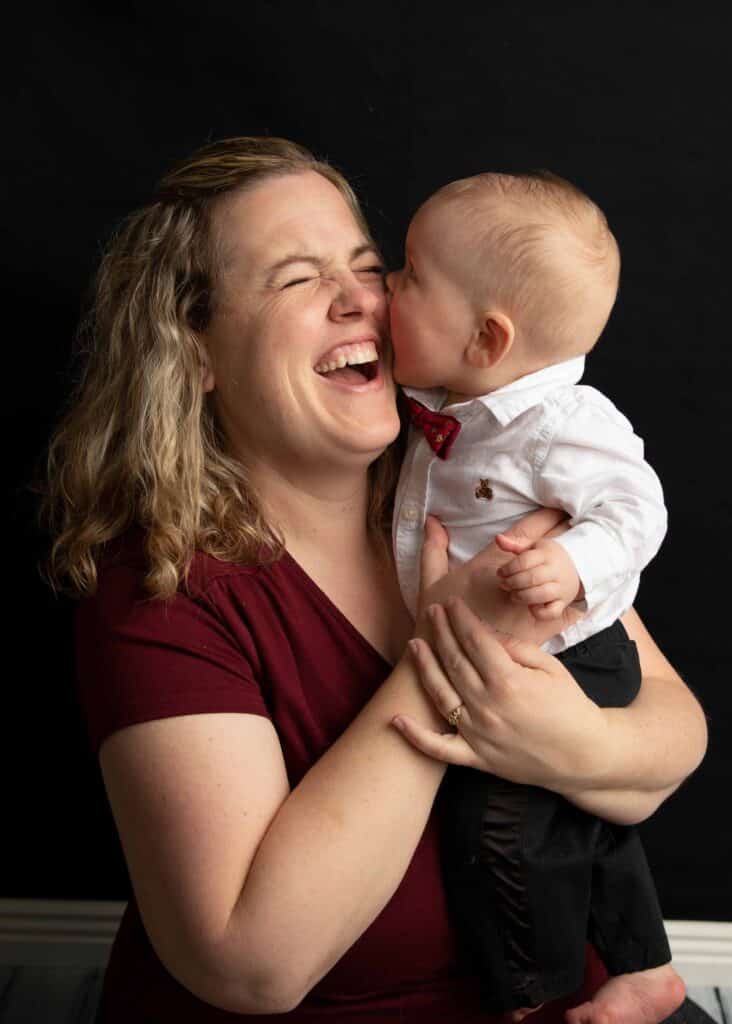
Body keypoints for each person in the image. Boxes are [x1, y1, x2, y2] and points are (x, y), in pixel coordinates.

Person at [41, 138, 705, 1024]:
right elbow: (250, 965)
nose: (364, 298)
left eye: (369, 266)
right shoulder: (163, 588)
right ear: (193, 353)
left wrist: (563, 744)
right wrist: (458, 657)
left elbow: (671, 742)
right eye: (295, 279)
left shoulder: (475, 495)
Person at [386, 170, 688, 1023]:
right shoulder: (443, 399)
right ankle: (645, 966)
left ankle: (534, 994)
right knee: (571, 817)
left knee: (501, 830)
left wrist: (577, 565)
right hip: (517, 645)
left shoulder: (560, 421)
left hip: (573, 651)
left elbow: (638, 505)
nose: (385, 286)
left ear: (486, 337)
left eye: (408, 275)